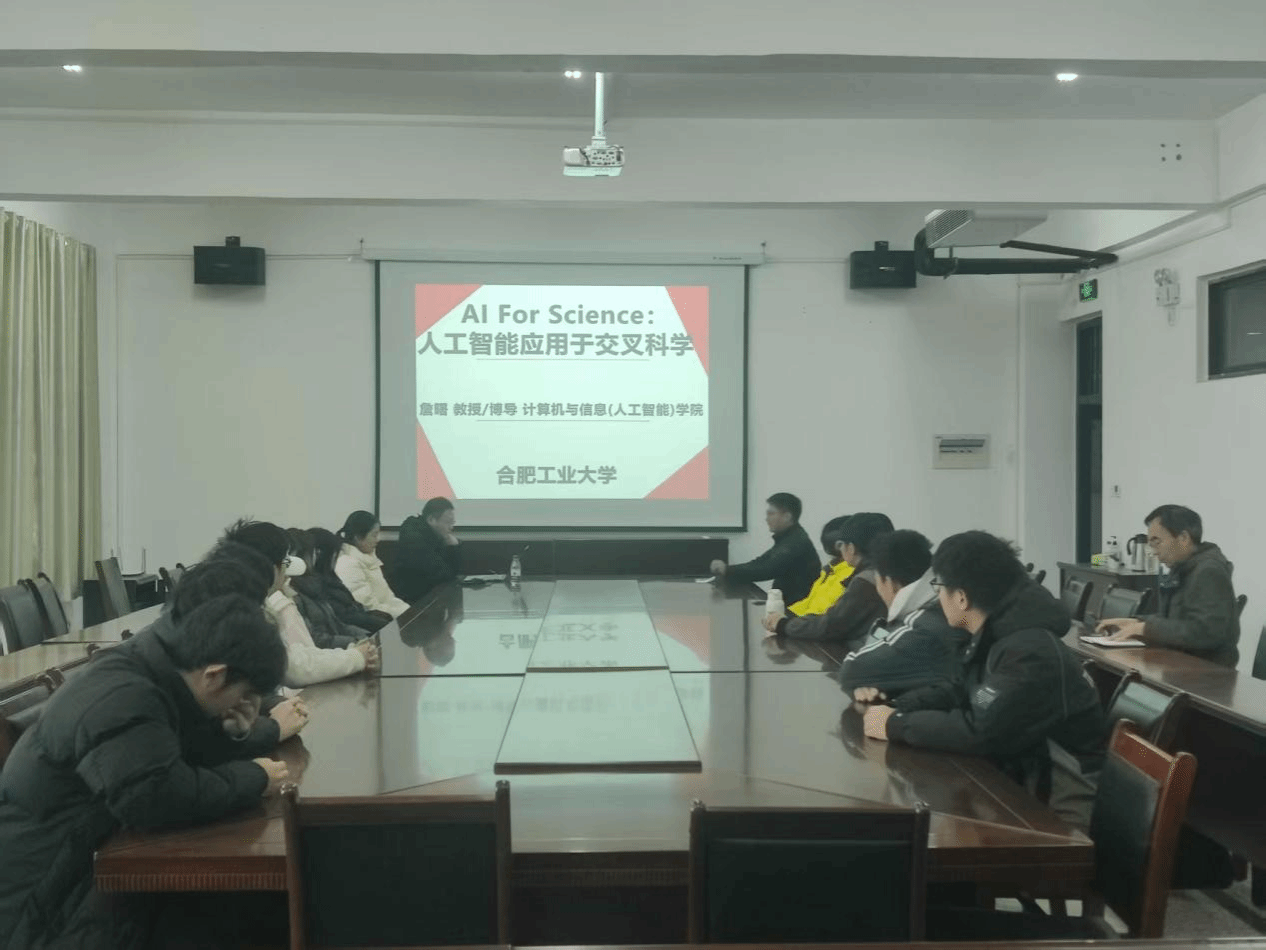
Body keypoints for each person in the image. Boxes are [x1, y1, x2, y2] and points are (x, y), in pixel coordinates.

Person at [0, 595, 291, 949]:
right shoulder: (125, 697)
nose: (245, 706)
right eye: (244, 695)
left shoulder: (153, 671)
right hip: (46, 908)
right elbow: (154, 797)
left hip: (81, 871)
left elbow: (160, 760)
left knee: (253, 908)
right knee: (253, 913)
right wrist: (254, 777)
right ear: (214, 675)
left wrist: (227, 735)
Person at [861, 530, 1107, 829]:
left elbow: (980, 729)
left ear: (961, 597)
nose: (937, 597)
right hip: (1020, 784)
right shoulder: (998, 632)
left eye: (939, 587)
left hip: (1057, 814)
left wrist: (894, 725)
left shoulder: (1030, 652)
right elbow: (959, 690)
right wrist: (896, 704)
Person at [217, 520, 380, 686]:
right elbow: (291, 667)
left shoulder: (254, 602)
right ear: (269, 567)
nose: (288, 572)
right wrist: (356, 657)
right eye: (285, 562)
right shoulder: (242, 612)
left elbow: (297, 654)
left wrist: (354, 654)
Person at [1096, 504, 1240, 667]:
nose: (1154, 551)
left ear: (1183, 538)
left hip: (1206, 672)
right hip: (1179, 664)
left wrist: (1145, 628)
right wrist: (1135, 622)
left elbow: (1206, 632)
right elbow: (1172, 619)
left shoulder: (1208, 571)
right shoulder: (1183, 568)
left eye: (1157, 542)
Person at [837, 529, 969, 697]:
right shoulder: (931, 607)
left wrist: (873, 683)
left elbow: (852, 670)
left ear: (888, 581)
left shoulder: (926, 618)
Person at [763, 512, 891, 646]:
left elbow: (832, 625)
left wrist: (784, 624)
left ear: (851, 548)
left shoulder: (866, 580)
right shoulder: (880, 572)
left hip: (861, 650)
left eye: (841, 545)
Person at [709, 492, 821, 606]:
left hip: (797, 609)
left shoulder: (796, 542)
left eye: (771, 514)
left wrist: (727, 570)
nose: (766, 519)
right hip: (786, 605)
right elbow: (760, 562)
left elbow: (766, 570)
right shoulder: (788, 537)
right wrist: (728, 570)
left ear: (787, 517)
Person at [286, 528, 372, 648]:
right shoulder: (292, 593)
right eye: (312, 553)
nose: (315, 557)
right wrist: (356, 642)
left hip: (342, 649)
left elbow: (338, 624)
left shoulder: (313, 585)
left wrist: (366, 638)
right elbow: (316, 639)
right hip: (331, 653)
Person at [305, 527, 393, 633]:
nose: (336, 559)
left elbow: (351, 604)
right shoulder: (315, 584)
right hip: (348, 629)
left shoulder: (329, 576)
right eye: (335, 554)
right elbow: (341, 617)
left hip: (354, 620)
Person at [334, 510, 410, 618]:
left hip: (388, 616)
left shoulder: (368, 559)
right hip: (378, 621)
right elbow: (368, 607)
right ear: (358, 537)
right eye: (374, 535)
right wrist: (403, 615)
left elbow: (388, 598)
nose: (378, 539)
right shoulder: (347, 563)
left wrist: (408, 611)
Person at [392, 497, 462, 604]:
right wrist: (452, 548)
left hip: (430, 596)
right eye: (448, 523)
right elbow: (442, 575)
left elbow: (452, 574)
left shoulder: (436, 536)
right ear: (431, 520)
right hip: (414, 601)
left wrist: (453, 546)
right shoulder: (413, 539)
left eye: (452, 523)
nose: (451, 527)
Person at [787, 515, 855, 616]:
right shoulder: (831, 569)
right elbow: (810, 602)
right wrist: (786, 613)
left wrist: (788, 621)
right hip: (806, 620)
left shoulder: (849, 575)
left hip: (814, 622)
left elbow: (821, 613)